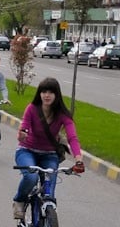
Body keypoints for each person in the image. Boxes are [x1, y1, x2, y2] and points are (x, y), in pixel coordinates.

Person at [13, 77, 85, 218]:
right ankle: (19, 200)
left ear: (57, 95)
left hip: (49, 154)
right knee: (31, 177)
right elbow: (24, 128)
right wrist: (22, 134)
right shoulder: (32, 109)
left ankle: (48, 222)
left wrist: (78, 159)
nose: (47, 95)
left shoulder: (63, 115)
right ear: (39, 94)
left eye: (51, 92)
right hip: (27, 151)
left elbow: (72, 138)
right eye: (44, 92)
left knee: (49, 192)